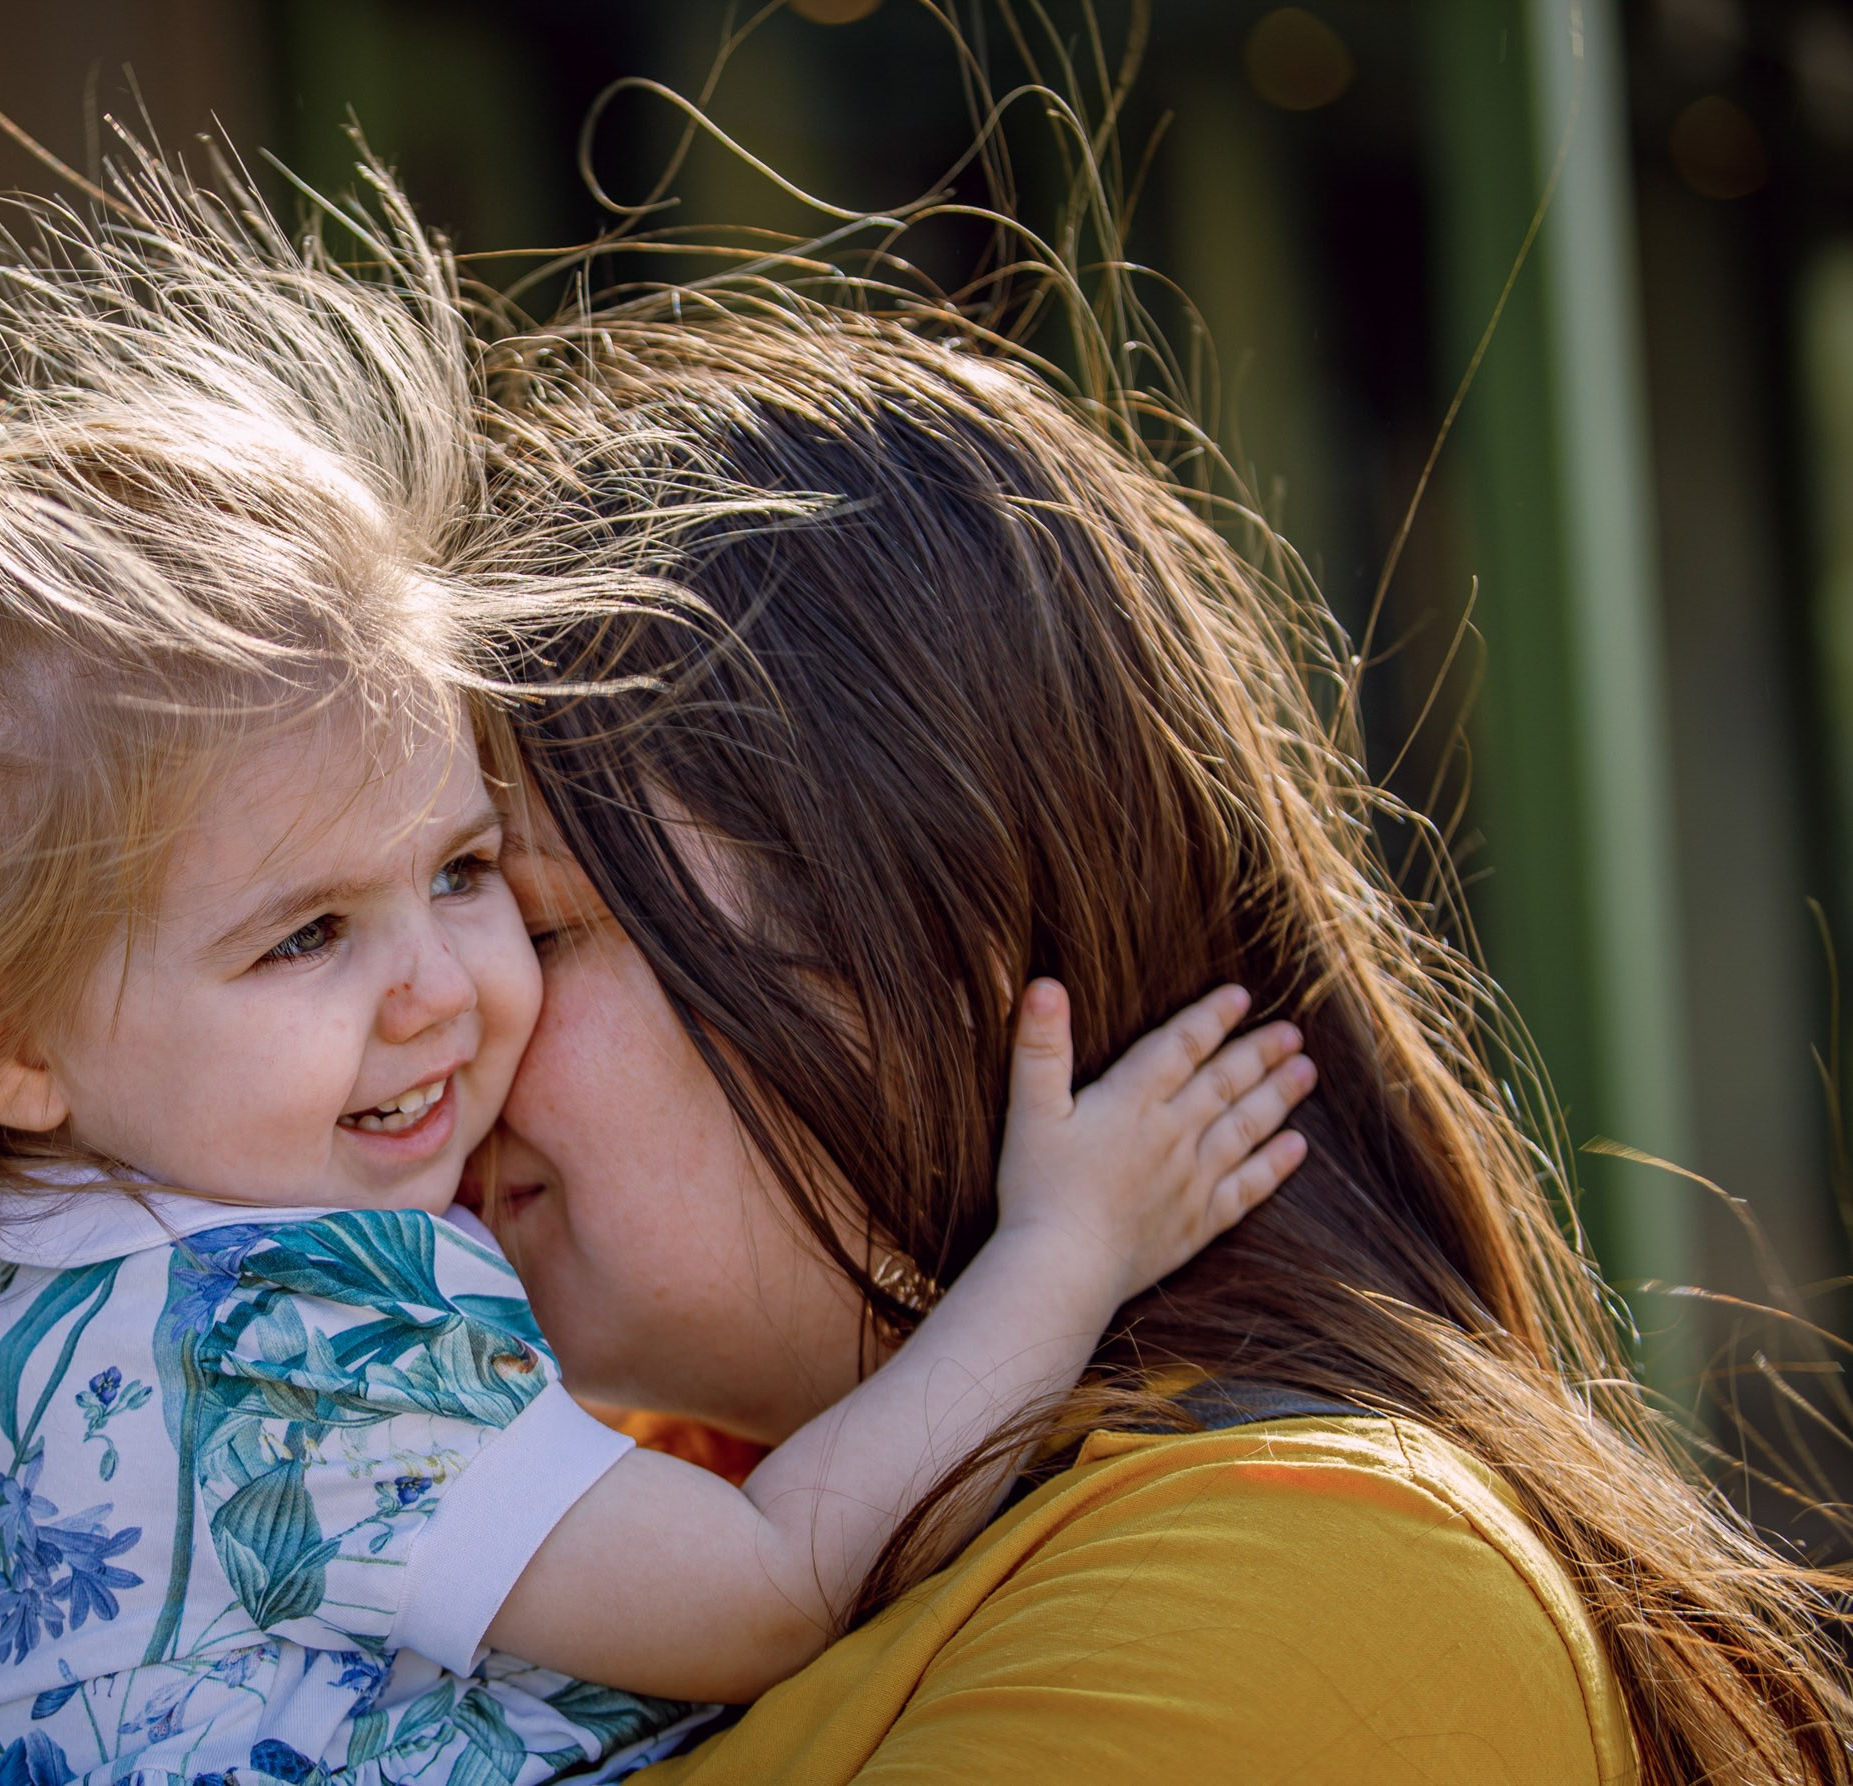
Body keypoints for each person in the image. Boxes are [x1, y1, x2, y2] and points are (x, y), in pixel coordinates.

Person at [0, 167, 1314, 1786]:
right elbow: (769, 1583)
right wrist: (1062, 1253)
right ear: (2, 1038)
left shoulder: (43, 1270)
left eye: (468, 874)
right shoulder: (274, 1333)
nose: (442, 988)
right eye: (305, 933)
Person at [471, 302, 1853, 1784]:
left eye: (528, 924)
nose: (423, 1029)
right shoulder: (590, 1520)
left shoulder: (1315, 1576)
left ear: (941, 926)